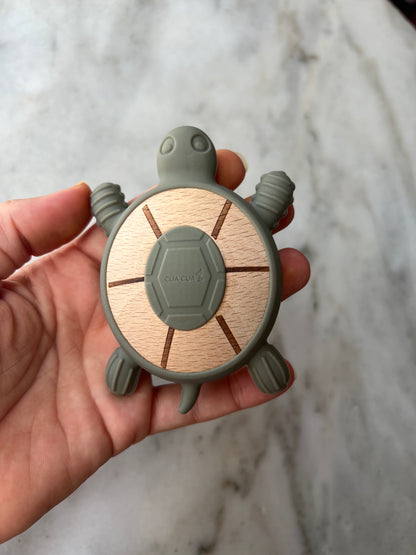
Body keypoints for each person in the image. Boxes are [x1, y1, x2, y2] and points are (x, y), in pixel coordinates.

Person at [0, 149, 310, 543]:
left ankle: (141, 360)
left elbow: (115, 221)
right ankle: (246, 357)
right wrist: (272, 197)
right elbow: (261, 214)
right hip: (197, 338)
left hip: (168, 338)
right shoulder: (178, 216)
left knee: (241, 345)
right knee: (253, 346)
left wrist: (107, 205)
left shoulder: (138, 220)